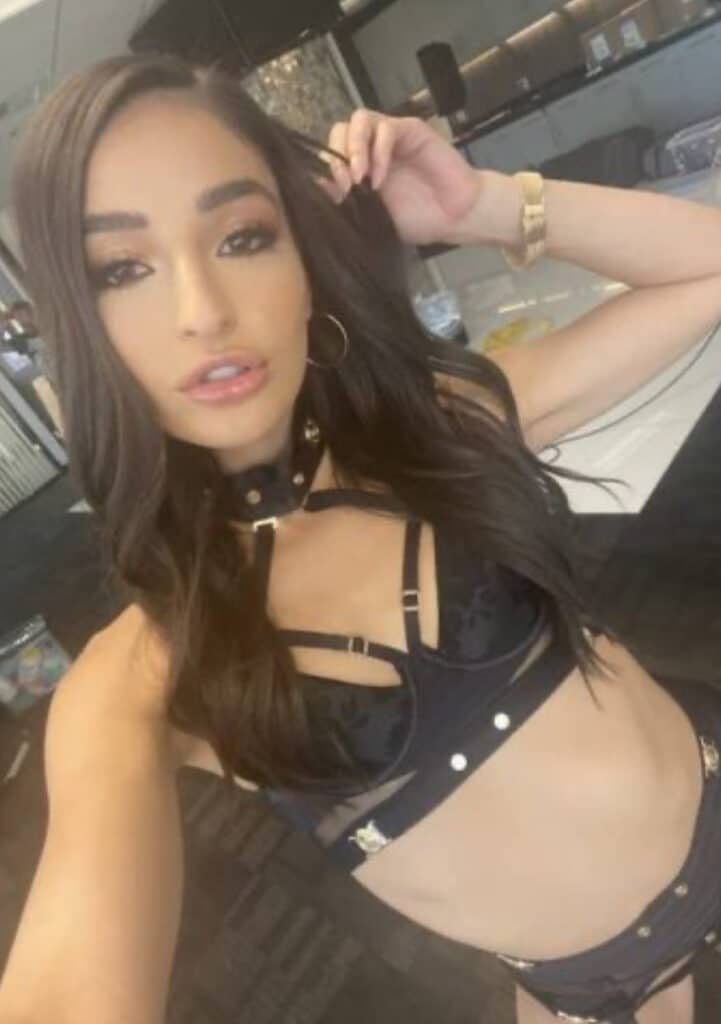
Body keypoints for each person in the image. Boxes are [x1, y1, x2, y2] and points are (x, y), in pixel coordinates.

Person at [1, 53, 721, 1024]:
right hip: (597, 991)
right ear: (79, 330)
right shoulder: (142, 675)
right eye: (122, 269)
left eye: (243, 236)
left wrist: (482, 206)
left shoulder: (435, 427)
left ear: (304, 260)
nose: (202, 312)